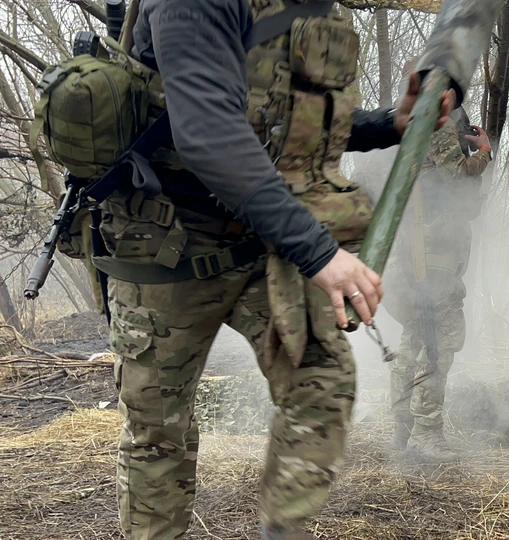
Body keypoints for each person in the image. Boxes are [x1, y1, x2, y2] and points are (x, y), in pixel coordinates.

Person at [101, 1, 453, 539]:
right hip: (168, 248)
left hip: (263, 242)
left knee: (322, 382)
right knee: (157, 434)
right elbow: (210, 133)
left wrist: (390, 123)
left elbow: (284, 122)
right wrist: (321, 254)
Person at [384, 59, 493, 463]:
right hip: (434, 256)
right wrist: (483, 152)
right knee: (437, 343)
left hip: (414, 250)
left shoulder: (411, 129)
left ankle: (402, 428)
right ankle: (426, 435)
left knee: (414, 339)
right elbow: (457, 176)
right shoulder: (440, 126)